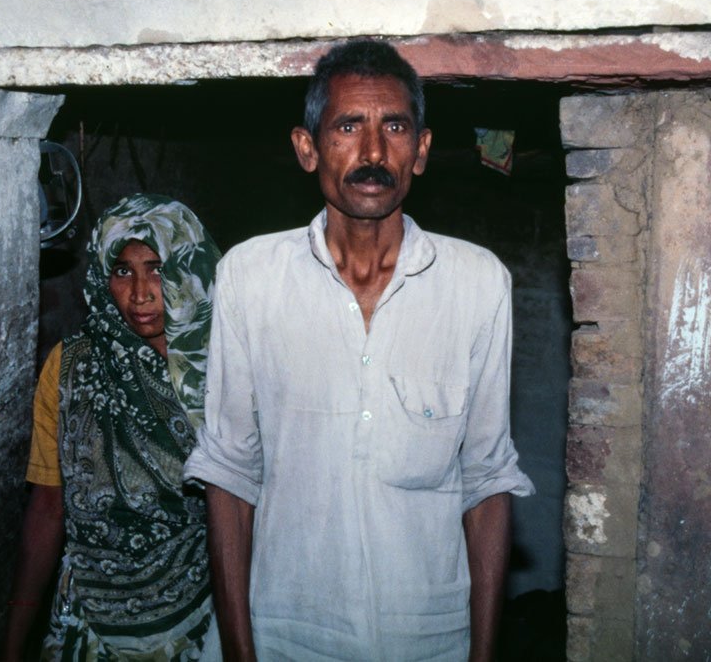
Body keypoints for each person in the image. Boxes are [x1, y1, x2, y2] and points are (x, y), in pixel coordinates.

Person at [183, 39, 533, 661]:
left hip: (429, 639)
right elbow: (230, 475)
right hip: (285, 633)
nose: (373, 153)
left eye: (394, 127)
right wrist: (242, 653)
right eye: (348, 126)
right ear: (307, 147)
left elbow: (486, 481)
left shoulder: (479, 283)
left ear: (421, 151)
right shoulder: (250, 276)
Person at [3, 194, 223, 662]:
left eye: (158, 268)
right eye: (123, 270)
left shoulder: (227, 371)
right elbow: (48, 506)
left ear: (191, 270)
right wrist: (14, 640)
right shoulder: (70, 368)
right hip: (89, 622)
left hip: (203, 620)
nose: (141, 292)